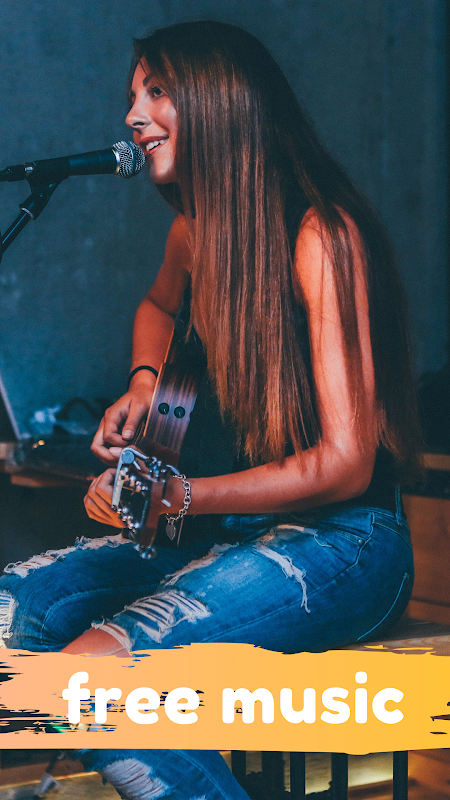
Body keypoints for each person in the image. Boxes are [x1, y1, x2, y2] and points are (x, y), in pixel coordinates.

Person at [0, 20, 419, 800]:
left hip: (346, 545)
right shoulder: (194, 233)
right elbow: (158, 309)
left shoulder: (320, 235)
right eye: (132, 95)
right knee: (7, 629)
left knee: (94, 678)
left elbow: (345, 463)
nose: (132, 115)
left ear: (220, 101)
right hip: (216, 536)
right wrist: (143, 385)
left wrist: (180, 495)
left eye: (156, 91)